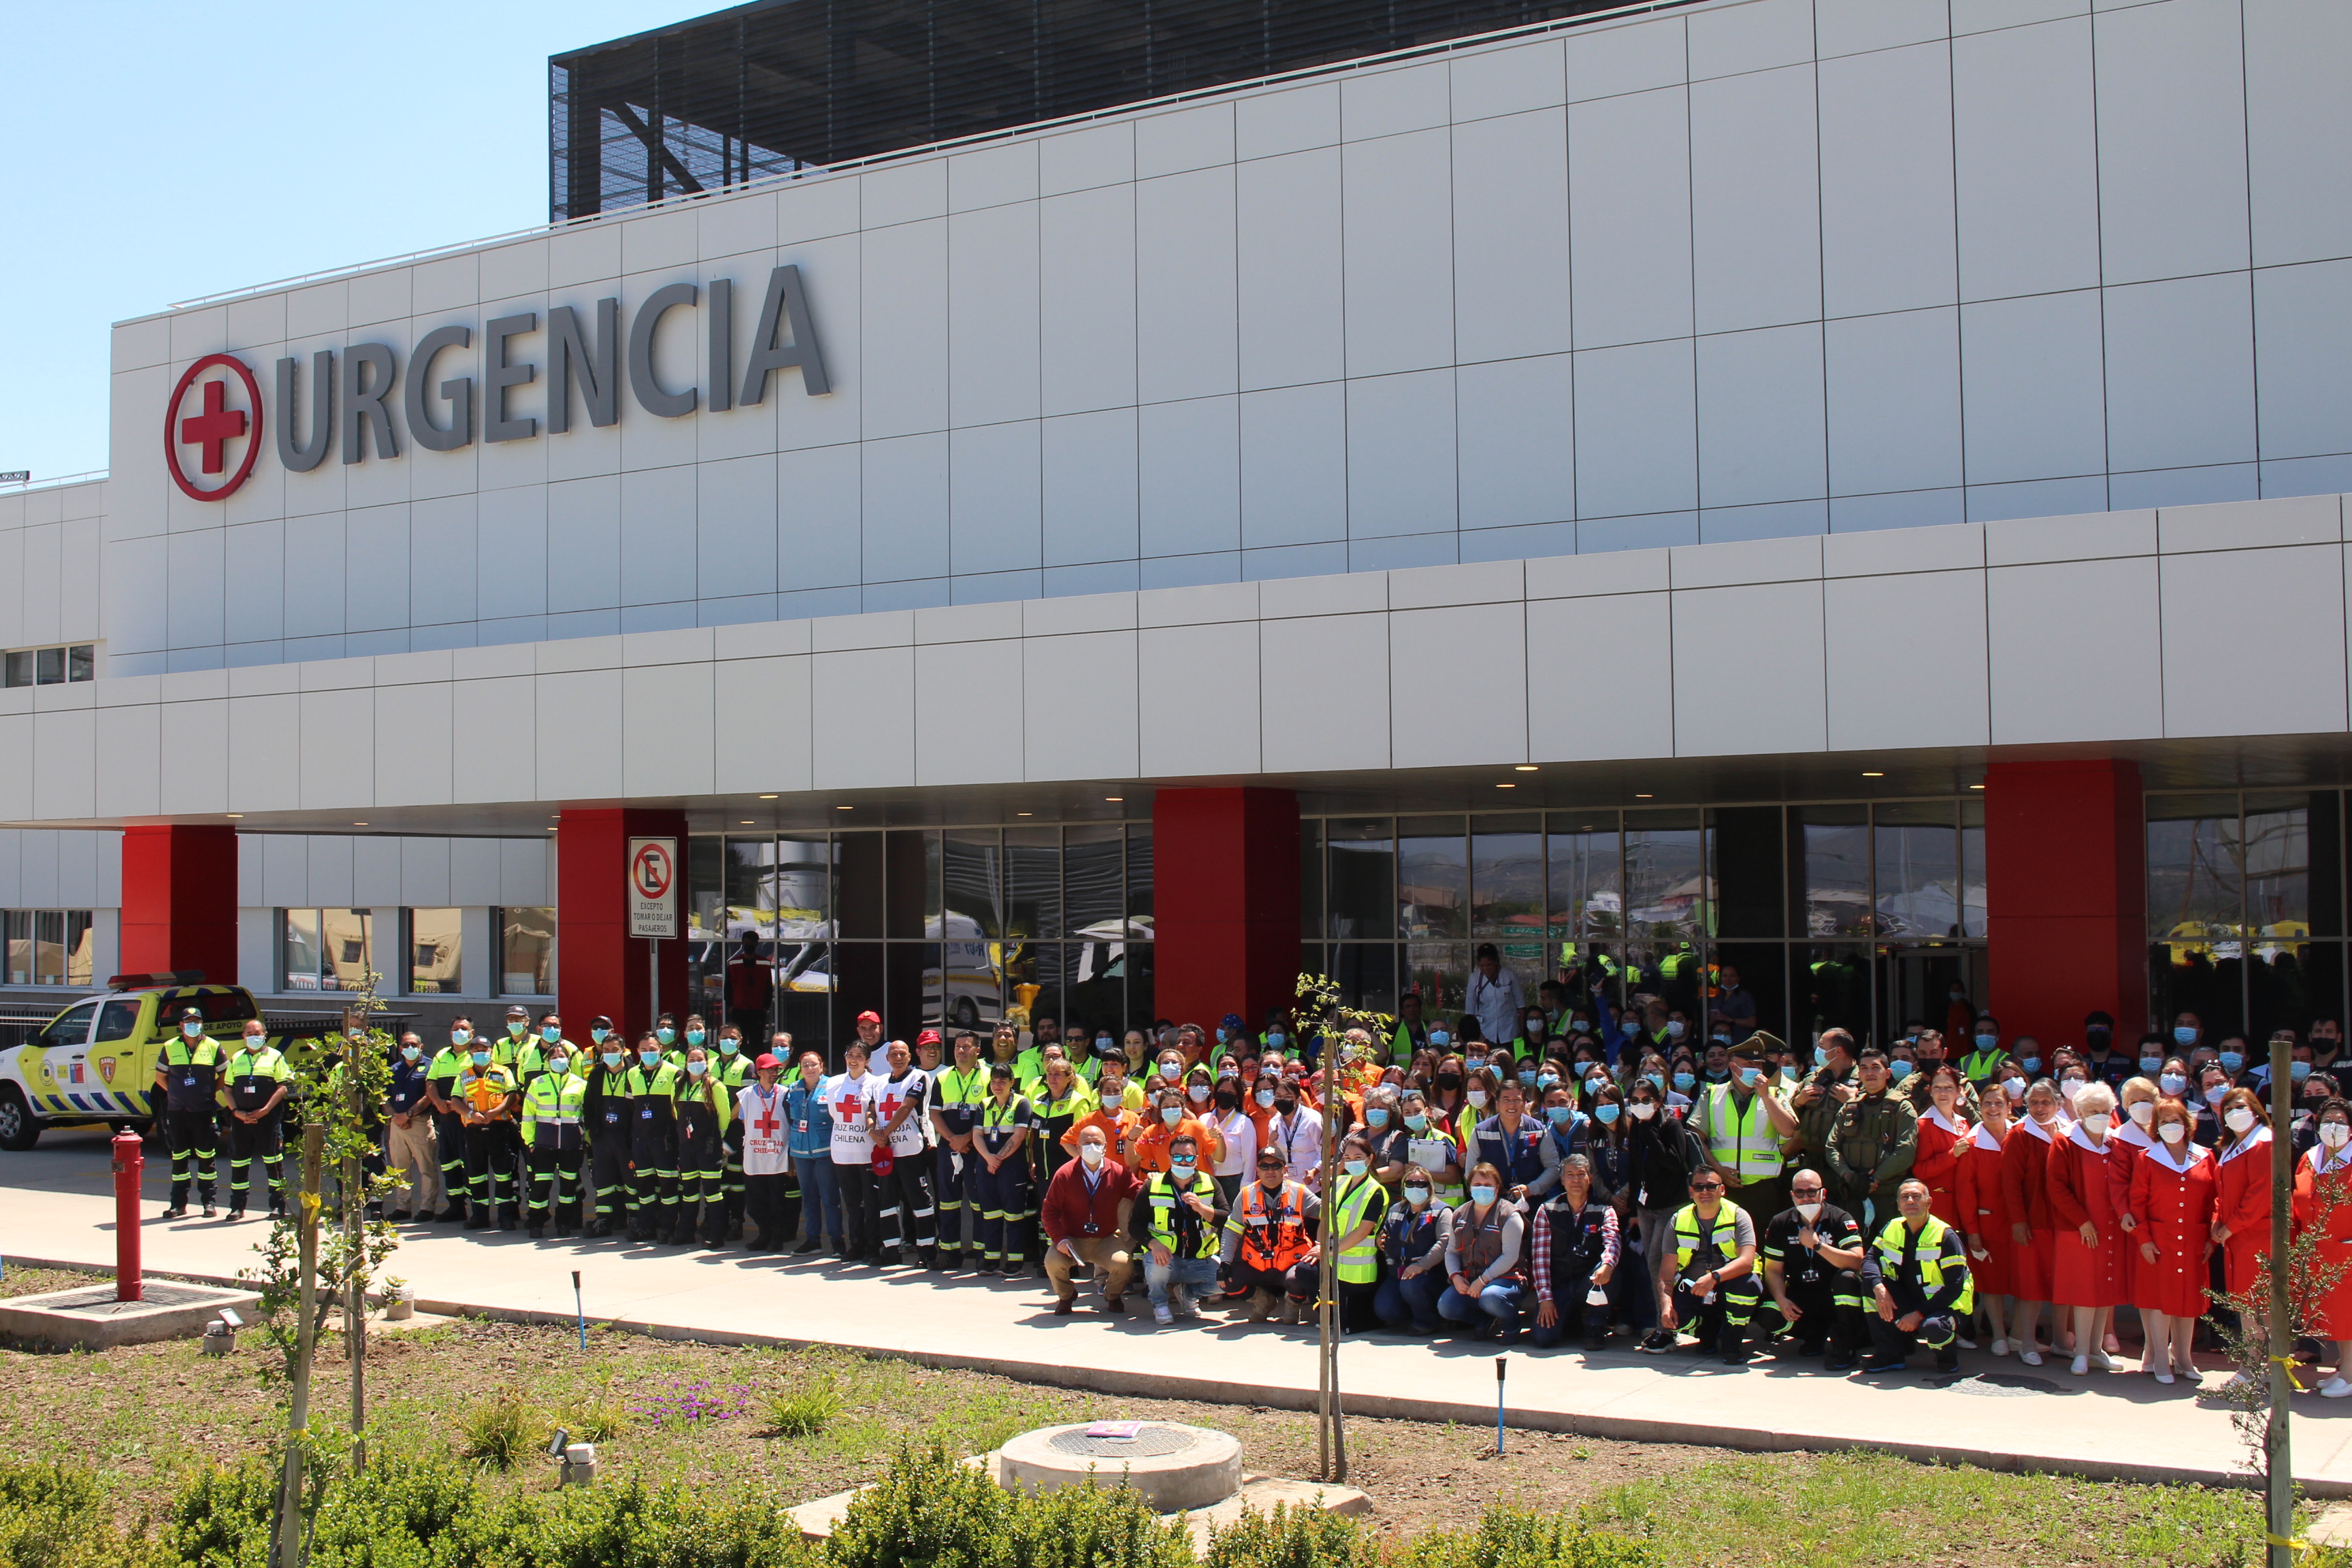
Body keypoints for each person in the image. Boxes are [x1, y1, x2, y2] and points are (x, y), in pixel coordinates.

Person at [2125, 1095, 2215, 1385]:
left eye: (2175, 1120)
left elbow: (2213, 1200)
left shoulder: (2205, 1156)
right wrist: (2144, 1239)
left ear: (2186, 1123)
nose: (2170, 1125)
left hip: (2193, 1241)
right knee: (2159, 1301)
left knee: (2189, 1302)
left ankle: (2184, 1357)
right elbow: (2137, 1202)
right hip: (2158, 1242)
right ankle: (2160, 1359)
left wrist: (2211, 1238)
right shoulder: (2147, 1158)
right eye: (2164, 1121)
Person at [2046, 1081, 2129, 1375]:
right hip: (2079, 1229)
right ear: (2080, 1112)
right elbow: (2056, 1186)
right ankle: (2080, 1352)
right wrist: (2082, 1221)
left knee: (2106, 1287)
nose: (2099, 1115)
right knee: (2084, 1290)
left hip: (2111, 1228)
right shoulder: (2065, 1141)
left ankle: (2096, 1350)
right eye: (2093, 1111)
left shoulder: (2115, 1142)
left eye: (2104, 1110)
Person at [1859, 1178, 1974, 1374]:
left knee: (1934, 1326)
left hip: (1947, 1306)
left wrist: (1918, 1314)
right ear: (1898, 1204)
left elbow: (1954, 1287)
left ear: (1929, 1202)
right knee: (1870, 1285)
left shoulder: (1945, 1235)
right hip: (1910, 1299)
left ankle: (1947, 1357)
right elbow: (1870, 1259)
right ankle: (1890, 1354)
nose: (1910, 1201)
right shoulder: (1892, 1227)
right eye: (1905, 1197)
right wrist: (1878, 1287)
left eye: (1916, 1196)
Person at [1759, 1168, 1867, 1370]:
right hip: (1802, 1295)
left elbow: (1857, 1262)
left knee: (1848, 1278)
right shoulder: (1780, 1223)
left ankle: (1845, 1346)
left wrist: (1817, 1246)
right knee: (1769, 1315)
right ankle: (1813, 1337)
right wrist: (1781, 1300)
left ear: (1823, 1193)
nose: (1806, 1197)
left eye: (1812, 1192)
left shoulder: (1841, 1218)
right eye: (1800, 1193)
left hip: (1834, 1296)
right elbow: (1773, 1270)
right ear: (1792, 1195)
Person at [1654, 1167, 1761, 1365]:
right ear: (1691, 1191)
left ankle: (1732, 1341)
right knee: (1674, 1318)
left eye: (1711, 1186)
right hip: (1695, 1288)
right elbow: (1666, 1273)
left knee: (1748, 1285)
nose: (1705, 1191)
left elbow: (1747, 1261)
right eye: (1699, 1187)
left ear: (1722, 1190)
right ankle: (1706, 1333)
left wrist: (1714, 1277)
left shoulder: (1738, 1215)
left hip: (1729, 1283)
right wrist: (1666, 1305)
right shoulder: (1678, 1219)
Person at [1692, 1036, 1797, 1225]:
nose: (1755, 1070)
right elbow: (1697, 1139)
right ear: (1733, 1067)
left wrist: (1766, 1096)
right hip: (1723, 1185)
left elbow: (1789, 1130)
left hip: (1764, 1188)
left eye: (1758, 1065)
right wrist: (1718, 1171)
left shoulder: (1774, 1095)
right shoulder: (1713, 1094)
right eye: (1749, 1065)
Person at [2002, 1079, 2068, 1365]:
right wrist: (2019, 1221)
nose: (2040, 1108)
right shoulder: (2019, 1134)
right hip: (2033, 1221)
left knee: (2063, 1283)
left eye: (2046, 1102)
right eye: (2034, 1103)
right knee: (2032, 1285)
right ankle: (2026, 1343)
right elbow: (2010, 1183)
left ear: (2058, 1104)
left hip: (2063, 1223)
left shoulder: (2067, 1131)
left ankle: (2061, 1341)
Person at [1043, 1123, 1137, 1313]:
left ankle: (1112, 1295)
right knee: (1052, 1262)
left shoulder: (1117, 1171)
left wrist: (1154, 1184)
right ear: (1078, 1147)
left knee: (1125, 1264)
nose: (1092, 1147)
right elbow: (1049, 1210)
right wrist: (1060, 1239)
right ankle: (1066, 1296)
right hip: (1072, 1240)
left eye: (1097, 1143)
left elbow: (1137, 1190)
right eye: (1086, 1143)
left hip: (1105, 1239)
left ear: (1105, 1147)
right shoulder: (1065, 1173)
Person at [1134, 1130, 1226, 1326]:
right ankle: (1160, 1305)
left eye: (1189, 1157)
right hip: (1166, 1258)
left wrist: (1202, 1208)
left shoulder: (1210, 1183)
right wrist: (1153, 1244)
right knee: (1155, 1264)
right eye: (1177, 1157)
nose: (1183, 1162)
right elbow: (1135, 1225)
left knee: (1229, 1282)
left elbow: (1226, 1219)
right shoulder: (1152, 1186)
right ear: (1169, 1158)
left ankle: (1189, 1294)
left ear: (1197, 1159)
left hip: (1201, 1259)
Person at [2293, 1098, 2352, 1397]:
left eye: (2341, 1121)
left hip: (2346, 1250)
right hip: (2317, 1251)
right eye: (2328, 1120)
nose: (2334, 1126)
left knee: (2348, 1313)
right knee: (2335, 1315)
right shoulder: (2310, 1157)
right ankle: (2344, 1370)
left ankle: (2350, 1376)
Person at [1224, 1146, 1322, 1324]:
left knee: (1300, 1277)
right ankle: (1263, 1302)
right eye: (1265, 1166)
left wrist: (1321, 1245)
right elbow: (1231, 1231)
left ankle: (1293, 1305)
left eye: (1276, 1166)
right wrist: (1225, 1262)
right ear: (1257, 1170)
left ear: (1285, 1170)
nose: (1270, 1171)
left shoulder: (1300, 1192)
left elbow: (1329, 1214)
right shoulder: (1246, 1195)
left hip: (1291, 1265)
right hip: (1256, 1265)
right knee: (1227, 1280)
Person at [1530, 1154, 1617, 1352]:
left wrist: (1607, 1265)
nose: (1576, 1180)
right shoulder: (1547, 1210)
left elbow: (1613, 1243)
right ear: (1562, 1180)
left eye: (1581, 1174)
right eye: (1570, 1175)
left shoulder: (1605, 1209)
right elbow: (1539, 1260)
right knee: (1544, 1339)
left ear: (1590, 1178)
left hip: (1589, 1282)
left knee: (1610, 1266)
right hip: (1559, 1284)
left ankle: (1595, 1325)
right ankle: (1572, 1319)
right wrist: (1545, 1298)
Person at [1824, 1049, 1918, 1228]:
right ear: (1859, 1074)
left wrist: (1875, 1179)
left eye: (1876, 1067)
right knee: (1853, 1241)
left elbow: (1906, 1152)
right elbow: (1831, 1147)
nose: (1870, 1073)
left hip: (1887, 1196)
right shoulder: (1850, 1107)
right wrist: (1848, 1175)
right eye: (1865, 1068)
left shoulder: (1902, 1107)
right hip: (1852, 1192)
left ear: (1888, 1073)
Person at [1957, 1079, 2017, 1354]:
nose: (1993, 1108)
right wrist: (1973, 1231)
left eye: (1999, 1103)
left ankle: (2020, 1334)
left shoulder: (2021, 1137)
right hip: (1988, 1223)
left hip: (2021, 1223)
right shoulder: (1971, 1144)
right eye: (1987, 1103)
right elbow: (1966, 1193)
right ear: (1979, 1108)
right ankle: (1999, 1335)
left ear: (2009, 1107)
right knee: (1992, 1282)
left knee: (2022, 1278)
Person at [1439, 1161, 1530, 1342]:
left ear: (1497, 1188)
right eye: (1478, 1184)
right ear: (1470, 1187)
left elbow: (1510, 1256)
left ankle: (1512, 1325)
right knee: (1446, 1307)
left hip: (1507, 1279)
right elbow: (1451, 1251)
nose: (1482, 1188)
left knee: (1490, 1297)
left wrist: (1483, 1281)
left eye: (1488, 1185)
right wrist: (1455, 1277)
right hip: (1471, 1278)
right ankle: (1484, 1320)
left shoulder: (1510, 1215)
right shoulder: (1459, 1214)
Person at [154, 1005, 224, 1220]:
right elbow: (160, 1077)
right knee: (179, 1158)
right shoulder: (169, 1047)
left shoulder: (213, 1046)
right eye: (188, 1022)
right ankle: (178, 1204)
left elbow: (224, 1076)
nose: (193, 1025)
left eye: (197, 1021)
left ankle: (209, 1203)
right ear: (181, 1025)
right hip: (177, 1111)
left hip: (203, 1111)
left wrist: (209, 1092)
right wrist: (176, 1093)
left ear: (202, 1024)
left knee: (206, 1157)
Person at [221, 1015, 294, 1220]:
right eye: (250, 1034)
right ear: (243, 1036)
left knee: (274, 1163)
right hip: (241, 1119)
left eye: (257, 1033)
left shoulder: (276, 1057)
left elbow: (282, 1088)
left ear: (265, 1035)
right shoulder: (237, 1058)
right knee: (239, 1164)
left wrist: (265, 1110)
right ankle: (237, 1207)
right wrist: (236, 1112)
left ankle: (278, 1206)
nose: (253, 1037)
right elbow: (228, 1089)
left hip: (268, 1119)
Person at [929, 1031, 990, 1269]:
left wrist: (967, 1139)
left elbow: (991, 1115)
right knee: (948, 1202)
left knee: (980, 1202)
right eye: (957, 1046)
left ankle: (983, 1254)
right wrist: (953, 1139)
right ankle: (949, 1253)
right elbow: (934, 1113)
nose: (961, 1051)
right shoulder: (943, 1077)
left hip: (978, 1149)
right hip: (949, 1148)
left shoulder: (989, 1075)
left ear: (978, 1051)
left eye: (966, 1046)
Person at [2211, 1086, 2274, 1307]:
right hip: (2237, 1237)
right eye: (2228, 1109)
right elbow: (2223, 1191)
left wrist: (2231, 1226)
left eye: (2240, 1106)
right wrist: (2217, 1220)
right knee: (2245, 1305)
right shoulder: (2230, 1148)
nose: (2234, 1112)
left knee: (2259, 1308)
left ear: (2255, 1111)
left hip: (2258, 1236)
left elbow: (2261, 1193)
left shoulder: (2264, 1142)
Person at [519, 1036, 587, 1238]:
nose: (558, 1060)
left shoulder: (580, 1084)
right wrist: (530, 1142)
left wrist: (586, 1140)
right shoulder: (537, 1083)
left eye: (562, 1056)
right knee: (540, 1186)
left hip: (571, 1145)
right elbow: (528, 1116)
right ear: (548, 1061)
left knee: (568, 1188)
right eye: (554, 1057)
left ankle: (563, 1223)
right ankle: (536, 1223)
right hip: (544, 1145)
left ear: (568, 1059)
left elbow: (587, 1115)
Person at [970, 1062, 1034, 1273]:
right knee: (990, 1214)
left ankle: (1015, 1263)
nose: (997, 1086)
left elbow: (1019, 1136)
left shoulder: (1021, 1103)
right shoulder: (984, 1104)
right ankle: (991, 1260)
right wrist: (989, 1158)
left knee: (1014, 1215)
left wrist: (998, 1159)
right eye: (994, 1081)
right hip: (987, 1163)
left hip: (1012, 1166)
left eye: (1002, 1081)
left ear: (1012, 1083)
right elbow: (977, 1135)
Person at [455, 1036, 522, 1231]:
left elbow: (512, 1095)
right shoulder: (463, 1075)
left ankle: (506, 1216)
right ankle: (479, 1216)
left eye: (484, 1049)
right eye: (476, 1050)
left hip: (499, 1129)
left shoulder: (503, 1071)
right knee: (476, 1175)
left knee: (503, 1174)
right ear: (470, 1053)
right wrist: (470, 1115)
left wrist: (495, 1112)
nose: (480, 1053)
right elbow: (455, 1100)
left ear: (491, 1051)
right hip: (474, 1130)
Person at [826, 1041, 883, 1261]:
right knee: (852, 1203)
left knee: (871, 1202)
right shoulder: (833, 1083)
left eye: (860, 1056)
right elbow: (834, 1113)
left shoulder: (876, 1083)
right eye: (851, 1054)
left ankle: (873, 1246)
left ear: (867, 1060)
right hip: (842, 1151)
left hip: (867, 1152)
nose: (854, 1059)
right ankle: (856, 1244)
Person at [1326, 1132, 1389, 1332]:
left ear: (1369, 1159)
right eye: (1347, 1158)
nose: (1352, 1162)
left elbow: (1362, 1232)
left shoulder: (1375, 1191)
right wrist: (1319, 1248)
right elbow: (1324, 1220)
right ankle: (1329, 1317)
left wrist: (1328, 1251)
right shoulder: (1339, 1183)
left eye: (1358, 1157)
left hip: (1359, 1266)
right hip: (1333, 1259)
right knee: (1305, 1271)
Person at [1376, 1167, 1451, 1335]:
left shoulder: (1442, 1211)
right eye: (1410, 1184)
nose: (1415, 1187)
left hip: (1429, 1274)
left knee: (1411, 1284)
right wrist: (1379, 1241)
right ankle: (1414, 1313)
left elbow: (1444, 1242)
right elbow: (1385, 1233)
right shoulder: (1396, 1209)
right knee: (1385, 1311)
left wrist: (1422, 1265)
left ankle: (1428, 1321)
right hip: (1398, 1272)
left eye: (1420, 1184)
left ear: (1429, 1187)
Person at [785, 1048, 841, 1254]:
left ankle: (837, 1242)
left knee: (830, 1198)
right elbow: (789, 1118)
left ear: (821, 1066)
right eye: (805, 1065)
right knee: (809, 1198)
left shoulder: (832, 1087)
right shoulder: (793, 1089)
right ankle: (813, 1241)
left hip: (825, 1151)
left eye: (813, 1064)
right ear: (800, 1069)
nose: (809, 1068)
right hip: (800, 1151)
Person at [737, 1053, 794, 1252]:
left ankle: (776, 1237)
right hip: (755, 1155)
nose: (774, 1073)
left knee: (777, 1200)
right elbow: (743, 1120)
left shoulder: (786, 1094)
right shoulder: (747, 1095)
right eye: (770, 1070)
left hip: (777, 1155)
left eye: (776, 1069)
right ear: (759, 1072)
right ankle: (764, 1233)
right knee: (755, 1202)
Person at [1471, 1079, 1559, 1204]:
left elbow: (1553, 1167)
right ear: (1497, 1104)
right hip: (1492, 1203)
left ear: (1524, 1103)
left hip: (1532, 1202)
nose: (1512, 1105)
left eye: (1517, 1100)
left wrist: (1531, 1189)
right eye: (1506, 1100)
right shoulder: (1480, 1131)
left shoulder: (1539, 1130)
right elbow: (1471, 1170)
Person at [385, 1031, 440, 1222]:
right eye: (406, 1045)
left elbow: (429, 1095)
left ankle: (427, 1208)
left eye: (414, 1045)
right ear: (400, 1048)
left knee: (426, 1167)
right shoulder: (394, 1069)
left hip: (419, 1122)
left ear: (421, 1046)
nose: (410, 1048)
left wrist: (408, 1115)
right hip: (397, 1124)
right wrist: (395, 1116)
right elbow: (384, 1096)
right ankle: (403, 1207)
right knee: (400, 1168)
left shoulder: (430, 1066)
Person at [424, 1019, 474, 1222]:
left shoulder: (475, 1055)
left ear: (472, 1033)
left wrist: (461, 1107)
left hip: (468, 1120)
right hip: (446, 1119)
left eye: (464, 1029)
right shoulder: (441, 1055)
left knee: (470, 1163)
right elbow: (431, 1082)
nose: (459, 1032)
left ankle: (477, 1209)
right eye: (456, 1029)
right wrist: (437, 1102)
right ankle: (456, 1206)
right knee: (448, 1162)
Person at [1911, 1065, 1972, 1230]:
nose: (1943, 1093)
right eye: (1937, 1087)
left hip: (1965, 1200)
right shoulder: (1924, 1124)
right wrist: (1952, 1155)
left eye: (1948, 1087)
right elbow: (1920, 1170)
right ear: (1930, 1091)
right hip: (1941, 1204)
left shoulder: (1963, 1123)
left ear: (1958, 1091)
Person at [1262, 1075, 1324, 1184]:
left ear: (1298, 1099)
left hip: (1311, 1183)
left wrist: (1314, 1171)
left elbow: (1323, 1152)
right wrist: (1271, 1143)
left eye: (1287, 1097)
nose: (1282, 1100)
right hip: (1286, 1183)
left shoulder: (1312, 1119)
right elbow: (1272, 1155)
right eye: (1278, 1096)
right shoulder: (1274, 1123)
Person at [1466, 945, 1525, 1056]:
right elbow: (1470, 1011)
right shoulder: (1474, 978)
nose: (1486, 969)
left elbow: (1521, 1007)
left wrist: (1521, 1033)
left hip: (1509, 1031)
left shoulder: (1509, 976)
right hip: (1484, 1032)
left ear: (1496, 962)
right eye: (1482, 966)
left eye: (1489, 965)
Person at [725, 931, 774, 1040]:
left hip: (758, 1010)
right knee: (738, 1040)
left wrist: (765, 1007)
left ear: (757, 944)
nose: (749, 945)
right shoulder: (733, 963)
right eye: (747, 942)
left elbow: (768, 988)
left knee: (757, 1042)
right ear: (743, 943)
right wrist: (730, 1006)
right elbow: (728, 987)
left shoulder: (764, 963)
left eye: (752, 943)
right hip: (738, 1010)